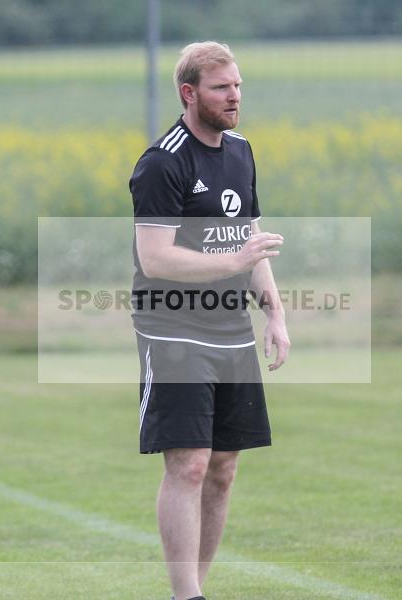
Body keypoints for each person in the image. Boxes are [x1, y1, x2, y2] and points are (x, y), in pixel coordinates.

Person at [128, 41, 290, 600]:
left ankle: (199, 586)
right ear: (189, 93)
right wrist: (238, 263)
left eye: (238, 86)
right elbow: (155, 257)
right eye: (222, 88)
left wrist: (276, 314)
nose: (235, 97)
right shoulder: (162, 162)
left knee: (223, 466)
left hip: (230, 329)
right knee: (190, 464)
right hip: (172, 327)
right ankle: (185, 596)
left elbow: (251, 239)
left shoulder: (242, 152)